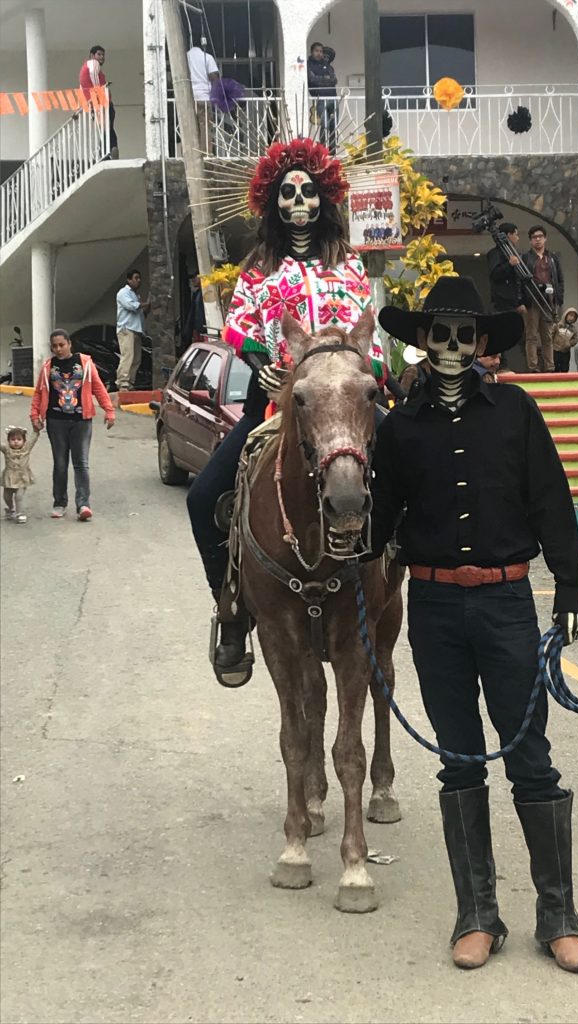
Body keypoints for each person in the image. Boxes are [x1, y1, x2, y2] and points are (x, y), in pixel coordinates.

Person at [370, 276, 578, 974]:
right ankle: (477, 914)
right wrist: (350, 551)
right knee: (458, 760)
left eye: (466, 335)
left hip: (506, 606)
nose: (454, 347)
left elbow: (552, 502)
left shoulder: (517, 411)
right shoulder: (398, 428)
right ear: (423, 341)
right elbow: (381, 521)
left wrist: (571, 591)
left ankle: (558, 913)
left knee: (530, 757)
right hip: (433, 611)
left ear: (482, 343)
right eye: (441, 334)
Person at [186, 136, 380, 686]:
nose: (301, 203)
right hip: (276, 402)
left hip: (346, 403)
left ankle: (404, 593)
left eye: (310, 192)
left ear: (326, 198)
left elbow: (369, 334)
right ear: (272, 201)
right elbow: (240, 327)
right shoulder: (257, 268)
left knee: (414, 470)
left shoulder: (349, 266)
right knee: (203, 500)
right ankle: (231, 607)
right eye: (289, 193)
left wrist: (373, 373)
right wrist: (259, 363)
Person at [30, 329, 115, 520]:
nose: (58, 349)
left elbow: (98, 387)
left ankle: (83, 504)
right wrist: (35, 415)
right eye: (55, 346)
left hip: (81, 421)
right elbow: (39, 392)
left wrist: (109, 410)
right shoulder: (48, 367)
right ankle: (59, 503)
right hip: (55, 421)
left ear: (69, 344)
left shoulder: (85, 363)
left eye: (62, 345)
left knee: (81, 463)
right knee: (60, 464)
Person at [522, 225, 564, 374]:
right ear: (530, 241)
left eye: (540, 236)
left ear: (545, 238)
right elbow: (521, 281)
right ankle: (533, 367)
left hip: (549, 300)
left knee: (547, 336)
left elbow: (559, 280)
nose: (538, 240)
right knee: (531, 335)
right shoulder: (526, 258)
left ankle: (550, 367)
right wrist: (521, 301)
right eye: (534, 237)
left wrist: (559, 301)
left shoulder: (552, 258)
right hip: (532, 299)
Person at [487, 222, 527, 371]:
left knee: (519, 335)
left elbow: (519, 280)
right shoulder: (495, 254)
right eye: (516, 234)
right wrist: (508, 265)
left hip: (514, 301)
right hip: (501, 301)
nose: (517, 237)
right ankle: (502, 365)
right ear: (508, 235)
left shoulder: (515, 253)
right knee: (501, 333)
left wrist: (520, 300)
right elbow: (495, 275)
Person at [79, 44, 118, 157]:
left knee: (106, 129)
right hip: (102, 104)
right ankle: (111, 150)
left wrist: (88, 106)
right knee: (108, 129)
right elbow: (94, 77)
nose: (102, 57)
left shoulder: (84, 69)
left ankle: (107, 152)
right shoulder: (93, 63)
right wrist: (99, 93)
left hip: (97, 105)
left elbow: (82, 89)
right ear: (92, 55)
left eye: (103, 55)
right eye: (99, 54)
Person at [115, 269, 150, 391]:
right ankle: (122, 382)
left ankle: (130, 382)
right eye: (136, 278)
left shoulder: (136, 295)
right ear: (129, 279)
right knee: (127, 355)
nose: (138, 280)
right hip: (126, 329)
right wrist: (146, 303)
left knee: (136, 358)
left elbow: (140, 314)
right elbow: (131, 306)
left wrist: (147, 307)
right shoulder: (123, 293)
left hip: (136, 329)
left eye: (139, 278)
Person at [186, 39, 220, 151]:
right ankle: (206, 154)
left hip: (188, 98)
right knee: (205, 127)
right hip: (204, 97)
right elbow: (214, 77)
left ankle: (191, 152)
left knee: (190, 127)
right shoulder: (207, 57)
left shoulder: (184, 57)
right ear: (202, 45)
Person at [1, 425, 38, 524]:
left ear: (24, 441)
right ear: (8, 441)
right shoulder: (6, 449)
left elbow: (33, 439)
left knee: (19, 496)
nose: (16, 441)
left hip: (22, 477)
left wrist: (36, 430)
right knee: (6, 496)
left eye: (19, 439)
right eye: (12, 439)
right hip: (9, 477)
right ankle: (10, 508)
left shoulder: (26, 448)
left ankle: (20, 513)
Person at [307, 43, 337, 152]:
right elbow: (312, 79)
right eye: (317, 51)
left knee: (334, 126)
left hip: (333, 98)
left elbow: (334, 80)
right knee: (324, 125)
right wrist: (325, 78)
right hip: (320, 99)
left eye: (321, 51)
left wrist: (322, 79)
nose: (319, 53)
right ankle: (323, 151)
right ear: (312, 52)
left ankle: (333, 151)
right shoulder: (308, 65)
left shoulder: (328, 66)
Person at [181, 273, 206, 350]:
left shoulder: (204, 293)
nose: (193, 280)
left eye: (195, 277)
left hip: (202, 327)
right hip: (197, 327)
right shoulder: (197, 294)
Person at [552, 307, 578, 373]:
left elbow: (575, 339)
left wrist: (569, 344)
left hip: (566, 352)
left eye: (574, 317)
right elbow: (551, 334)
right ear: (566, 315)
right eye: (570, 315)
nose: (572, 318)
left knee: (565, 367)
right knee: (555, 367)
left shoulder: (573, 330)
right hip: (555, 350)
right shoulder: (557, 325)